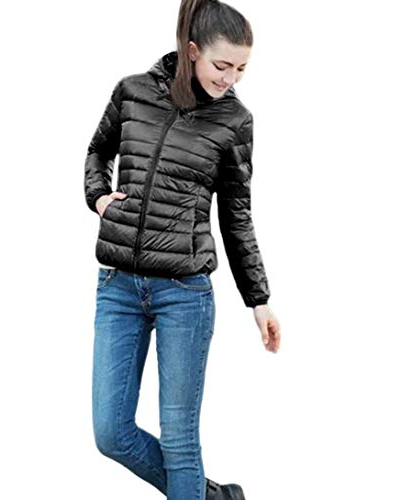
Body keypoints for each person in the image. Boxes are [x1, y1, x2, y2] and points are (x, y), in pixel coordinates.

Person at [84, 1, 281, 498]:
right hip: (118, 287)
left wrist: (258, 299)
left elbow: (236, 215)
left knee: (179, 442)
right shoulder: (132, 91)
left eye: (241, 69)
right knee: (111, 433)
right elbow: (98, 150)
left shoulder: (234, 121)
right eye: (222, 65)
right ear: (192, 51)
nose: (230, 79)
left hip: (183, 293)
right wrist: (98, 196)